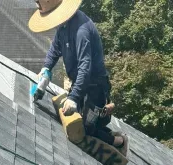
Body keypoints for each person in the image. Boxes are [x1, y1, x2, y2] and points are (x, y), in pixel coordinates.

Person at [28, 0, 128, 155]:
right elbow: (55, 48)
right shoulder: (64, 25)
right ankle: (100, 127)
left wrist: (73, 97)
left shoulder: (81, 31)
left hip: (95, 87)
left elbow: (85, 67)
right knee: (79, 118)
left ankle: (119, 142)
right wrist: (46, 68)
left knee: (85, 129)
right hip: (81, 83)